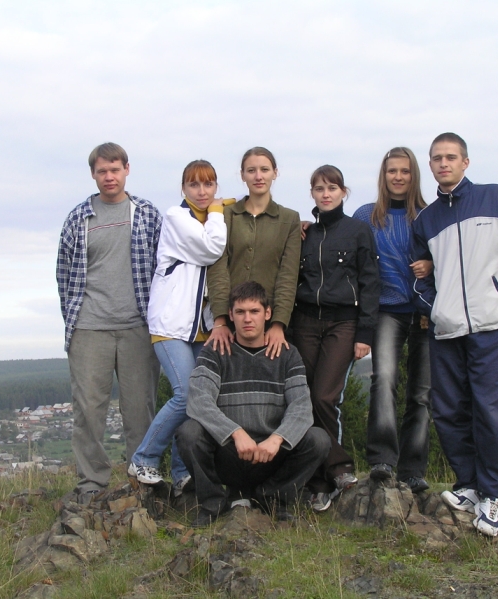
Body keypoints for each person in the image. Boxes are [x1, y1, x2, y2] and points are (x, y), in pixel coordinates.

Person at [411, 132, 498, 537]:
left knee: (493, 411)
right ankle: (468, 485)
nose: (443, 163)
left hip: (490, 324)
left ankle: (494, 495)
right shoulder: (425, 220)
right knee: (449, 410)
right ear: (430, 165)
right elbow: (418, 278)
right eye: (436, 158)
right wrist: (436, 308)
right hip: (446, 331)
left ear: (465, 162)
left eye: (451, 157)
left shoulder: (494, 197)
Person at [57, 142, 161, 504]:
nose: (109, 177)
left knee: (140, 409)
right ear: (93, 174)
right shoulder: (78, 218)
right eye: (102, 171)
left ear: (127, 169)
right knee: (88, 410)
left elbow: (167, 264)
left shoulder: (147, 214)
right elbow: (64, 274)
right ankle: (91, 483)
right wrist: (75, 318)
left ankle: (141, 481)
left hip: (138, 326)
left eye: (115, 169)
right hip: (89, 328)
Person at [177, 281, 331, 527]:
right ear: (231, 315)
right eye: (240, 312)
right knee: (189, 432)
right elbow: (199, 401)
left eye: (254, 311)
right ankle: (213, 503)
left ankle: (272, 498)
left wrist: (277, 439)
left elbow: (301, 407)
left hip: (272, 455)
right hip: (229, 452)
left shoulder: (288, 354)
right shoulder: (215, 352)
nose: (247, 319)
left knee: (318, 440)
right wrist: (235, 433)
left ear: (267, 313)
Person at [127, 160, 227, 496]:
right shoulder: (177, 217)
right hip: (170, 324)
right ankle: (144, 458)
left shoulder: (215, 216)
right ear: (183, 188)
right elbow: (212, 248)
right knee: (186, 394)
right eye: (194, 185)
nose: (202, 191)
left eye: (208, 184)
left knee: (200, 399)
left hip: (201, 327)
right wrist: (218, 211)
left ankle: (182, 472)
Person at [292, 165, 380, 512]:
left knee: (324, 396)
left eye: (332, 188)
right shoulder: (304, 233)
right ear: (312, 194)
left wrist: (365, 333)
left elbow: (370, 283)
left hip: (344, 323)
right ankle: (320, 484)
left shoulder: (358, 231)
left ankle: (340, 467)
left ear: (344, 192)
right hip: (304, 323)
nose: (325, 194)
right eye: (319, 188)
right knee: (305, 399)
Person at [353, 148, 434, 494]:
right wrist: (308, 227)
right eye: (392, 171)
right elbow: (344, 244)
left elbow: (450, 255)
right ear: (383, 176)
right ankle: (382, 460)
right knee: (384, 378)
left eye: (405, 171)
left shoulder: (430, 215)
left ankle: (412, 469)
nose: (398, 177)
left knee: (422, 392)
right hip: (386, 310)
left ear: (414, 175)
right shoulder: (366, 216)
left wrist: (432, 264)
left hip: (426, 312)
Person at [205, 147, 301, 359]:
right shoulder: (226, 215)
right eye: (251, 170)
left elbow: (288, 276)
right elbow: (217, 268)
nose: (258, 176)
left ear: (275, 173)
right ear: (242, 175)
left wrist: (278, 324)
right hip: (230, 322)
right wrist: (220, 320)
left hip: (269, 324)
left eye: (264, 170)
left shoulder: (290, 219)